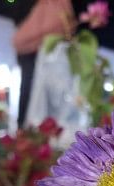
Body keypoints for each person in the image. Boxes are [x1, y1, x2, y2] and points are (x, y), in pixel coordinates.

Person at [12, 0, 75, 128]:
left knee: (44, 97)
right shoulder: (48, 5)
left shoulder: (54, 5)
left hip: (46, 56)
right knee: (31, 93)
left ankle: (29, 130)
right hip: (37, 54)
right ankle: (26, 130)